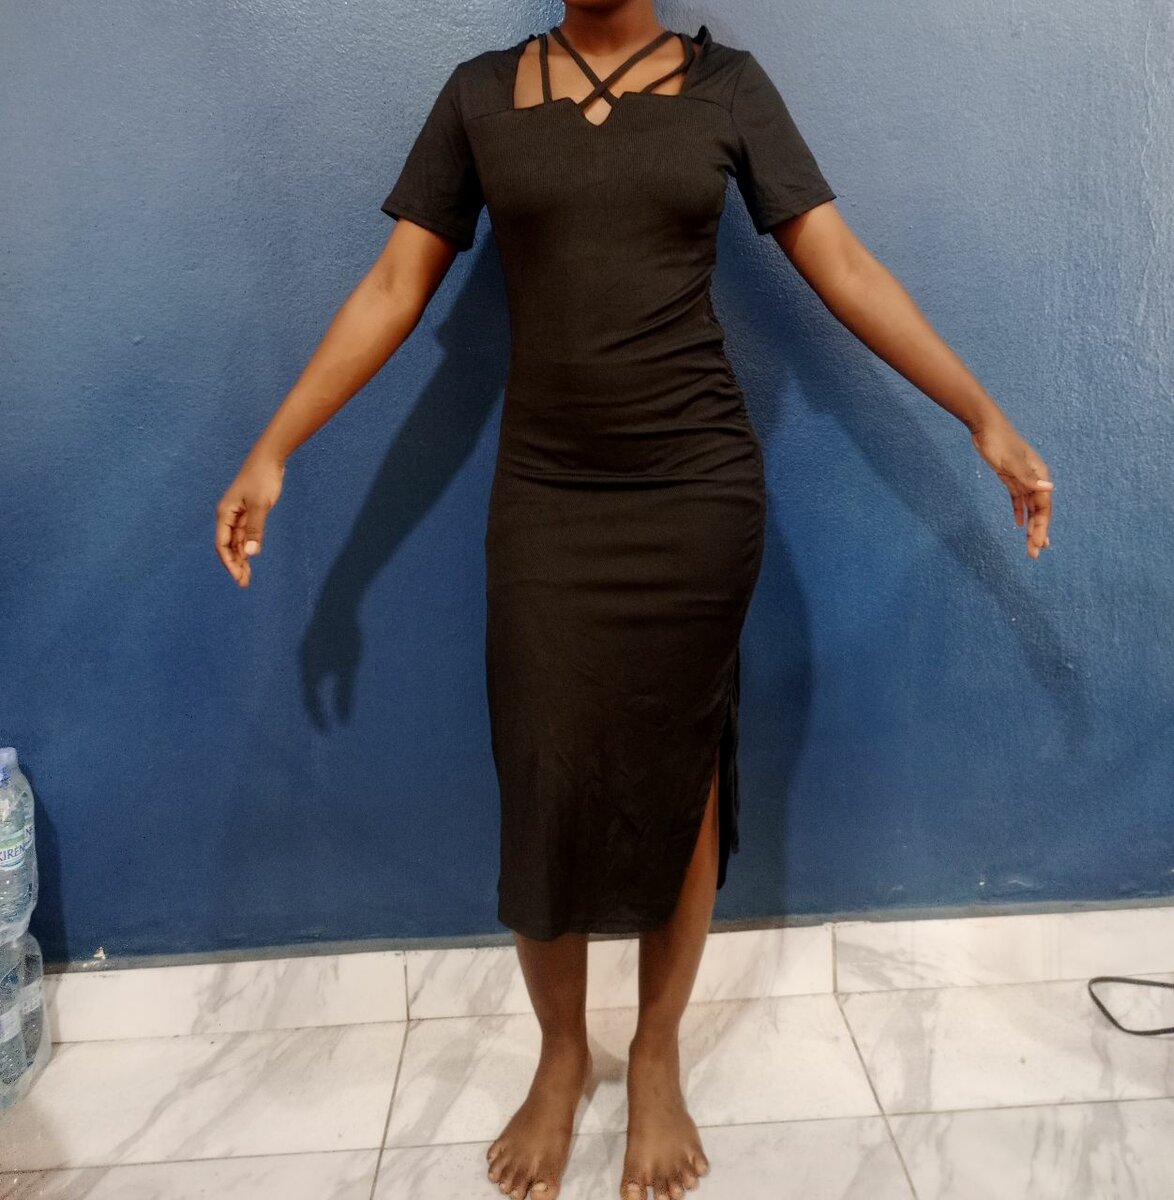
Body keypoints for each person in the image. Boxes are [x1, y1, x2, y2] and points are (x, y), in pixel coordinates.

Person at [215, 5, 1054, 1198]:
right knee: (543, 775)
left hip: (695, 492)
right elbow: (396, 284)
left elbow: (843, 265)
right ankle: (562, 1054)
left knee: (682, 769)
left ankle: (655, 1052)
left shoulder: (730, 86)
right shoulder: (480, 93)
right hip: (546, 494)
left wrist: (983, 418)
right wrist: (275, 447)